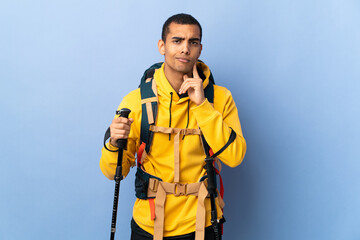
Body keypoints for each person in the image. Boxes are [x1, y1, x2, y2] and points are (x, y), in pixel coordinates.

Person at [100, 13, 246, 240]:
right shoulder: (136, 101)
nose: (185, 49)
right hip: (148, 225)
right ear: (162, 46)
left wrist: (202, 107)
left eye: (193, 42)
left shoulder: (220, 98)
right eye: (177, 41)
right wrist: (113, 144)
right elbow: (113, 172)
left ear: (200, 49)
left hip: (202, 223)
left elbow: (235, 157)